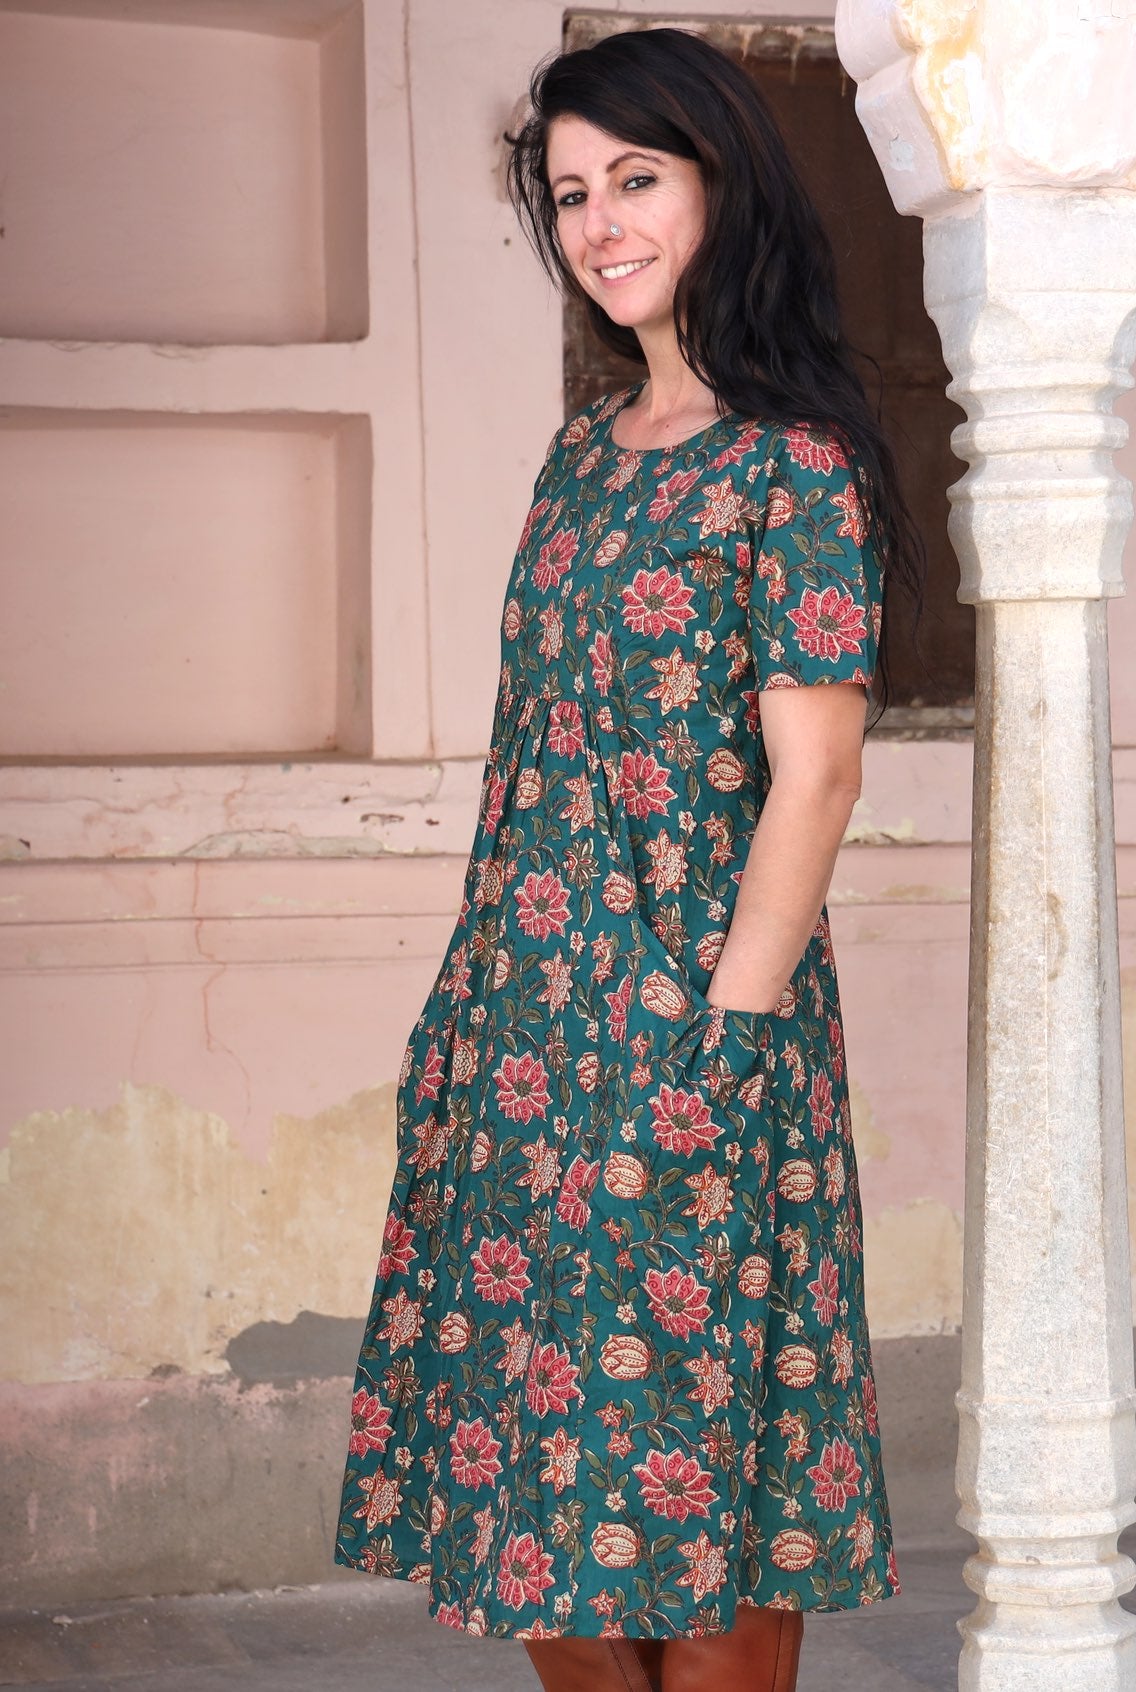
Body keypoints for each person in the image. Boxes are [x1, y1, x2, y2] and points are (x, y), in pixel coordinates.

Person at [333, 26, 925, 1692]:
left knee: (709, 1468)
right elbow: (542, 761)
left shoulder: (795, 462)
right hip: (525, 1032)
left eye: (637, 179)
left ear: (724, 180)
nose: (600, 224)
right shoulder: (582, 455)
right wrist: (470, 1009)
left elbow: (815, 777)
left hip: (699, 1039)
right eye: (573, 192)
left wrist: (720, 1046)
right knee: (541, 1488)